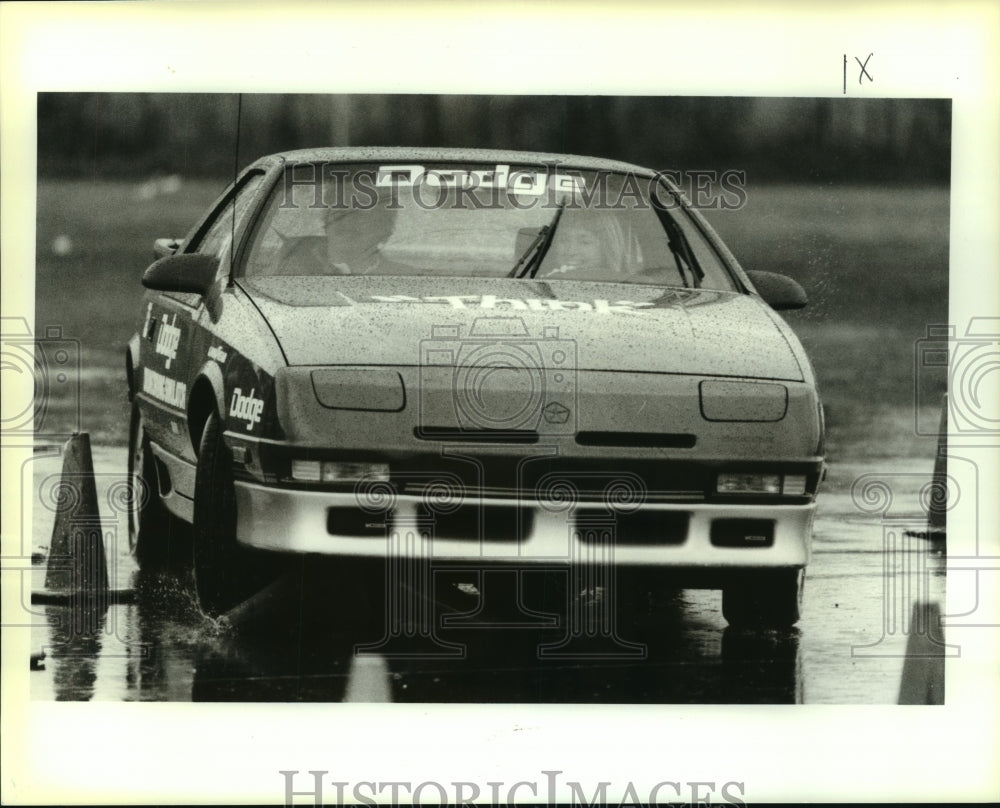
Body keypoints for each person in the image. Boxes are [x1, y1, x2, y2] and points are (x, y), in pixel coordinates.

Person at [276, 194, 401, 275]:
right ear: (326, 223)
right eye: (339, 215)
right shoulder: (289, 265)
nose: (347, 223)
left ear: (384, 231)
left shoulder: (409, 277)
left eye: (360, 216)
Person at [535, 210, 628, 281]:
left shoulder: (625, 287)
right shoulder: (538, 283)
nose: (571, 251)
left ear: (607, 247)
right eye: (564, 240)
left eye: (585, 242)